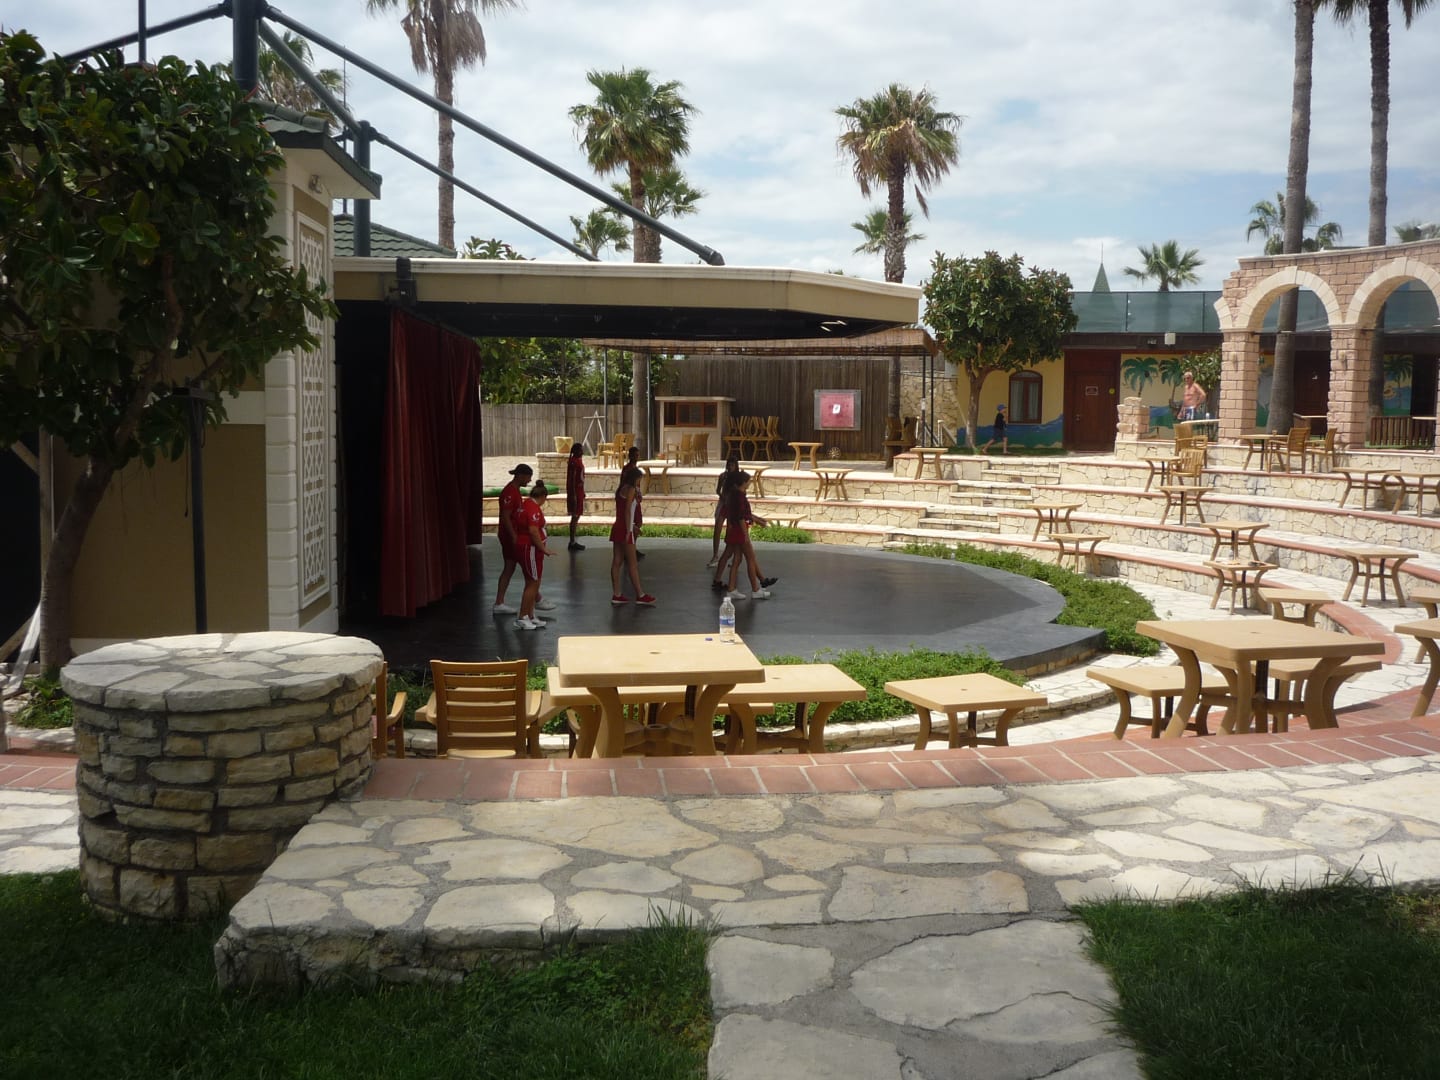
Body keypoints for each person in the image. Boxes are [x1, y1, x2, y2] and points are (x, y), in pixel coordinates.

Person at [721, 471, 773, 600]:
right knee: (750, 558)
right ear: (743, 483)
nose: (750, 483)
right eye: (748, 481)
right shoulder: (739, 496)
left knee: (737, 559)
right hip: (740, 530)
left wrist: (757, 520)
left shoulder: (734, 495)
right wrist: (746, 536)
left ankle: (731, 589)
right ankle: (755, 589)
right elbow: (741, 517)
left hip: (735, 529)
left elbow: (743, 514)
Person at [512, 481, 556, 631]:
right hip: (529, 549)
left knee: (533, 582)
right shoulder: (532, 508)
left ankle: (530, 615)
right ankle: (522, 617)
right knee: (532, 583)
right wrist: (544, 549)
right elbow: (533, 530)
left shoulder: (526, 505)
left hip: (531, 549)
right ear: (543, 496)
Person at [609, 464, 655, 606]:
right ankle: (640, 594)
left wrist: (632, 527)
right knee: (633, 564)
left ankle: (617, 594)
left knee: (617, 561)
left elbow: (623, 511)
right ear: (635, 479)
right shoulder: (631, 490)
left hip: (618, 526)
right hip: (625, 529)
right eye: (639, 479)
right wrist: (630, 531)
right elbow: (628, 511)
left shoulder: (621, 489)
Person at [492, 463, 531, 615]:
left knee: (511, 567)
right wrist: (514, 536)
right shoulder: (509, 493)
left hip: (512, 535)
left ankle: (499, 602)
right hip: (509, 536)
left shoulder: (515, 491)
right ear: (521, 475)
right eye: (528, 477)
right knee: (522, 565)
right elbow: (506, 517)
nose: (529, 481)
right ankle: (537, 598)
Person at [709, 453, 742, 567]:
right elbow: (718, 490)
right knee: (717, 528)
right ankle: (715, 555)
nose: (730, 467)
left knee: (730, 530)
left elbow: (741, 492)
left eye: (732, 465)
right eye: (729, 465)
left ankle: (732, 557)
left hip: (733, 505)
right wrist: (723, 497)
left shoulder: (738, 478)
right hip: (723, 503)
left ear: (736, 466)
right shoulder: (723, 476)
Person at [565, 443, 586, 551]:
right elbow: (572, 480)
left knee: (577, 516)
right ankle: (572, 541)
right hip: (575, 493)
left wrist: (582, 492)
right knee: (575, 516)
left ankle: (573, 541)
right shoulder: (573, 462)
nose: (582, 452)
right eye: (580, 450)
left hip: (579, 491)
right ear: (576, 451)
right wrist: (573, 495)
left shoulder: (577, 460)